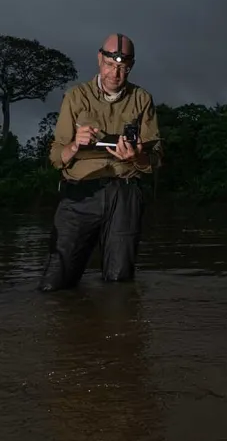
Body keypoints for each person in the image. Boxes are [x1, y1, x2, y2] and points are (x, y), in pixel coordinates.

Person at [39, 33, 163, 291]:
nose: (115, 74)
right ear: (99, 59)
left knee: (119, 285)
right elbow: (55, 157)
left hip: (124, 191)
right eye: (110, 65)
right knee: (54, 284)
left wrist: (137, 156)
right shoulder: (75, 97)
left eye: (122, 67)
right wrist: (74, 144)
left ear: (131, 66)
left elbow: (156, 159)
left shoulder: (142, 99)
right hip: (80, 192)